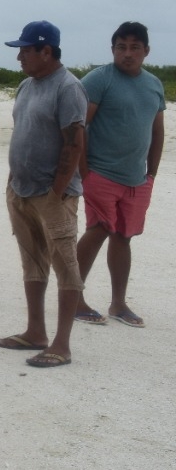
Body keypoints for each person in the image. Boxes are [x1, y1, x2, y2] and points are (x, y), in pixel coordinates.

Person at [0, 20, 87, 368]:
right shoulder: (26, 86)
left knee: (66, 266)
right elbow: (24, 132)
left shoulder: (68, 87)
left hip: (52, 195)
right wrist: (14, 180)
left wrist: (56, 192)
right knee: (32, 262)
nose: (20, 58)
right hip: (20, 189)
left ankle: (61, 344)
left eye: (25, 50)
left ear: (46, 51)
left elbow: (74, 143)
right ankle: (35, 331)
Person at [73, 21, 165, 328]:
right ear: (112, 50)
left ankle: (118, 303)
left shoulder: (154, 84)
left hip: (138, 178)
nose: (128, 54)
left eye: (134, 47)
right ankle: (73, 296)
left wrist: (151, 173)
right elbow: (78, 126)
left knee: (124, 237)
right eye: (121, 47)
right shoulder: (99, 79)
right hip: (100, 172)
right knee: (98, 229)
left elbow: (157, 130)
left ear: (146, 51)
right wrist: (84, 172)